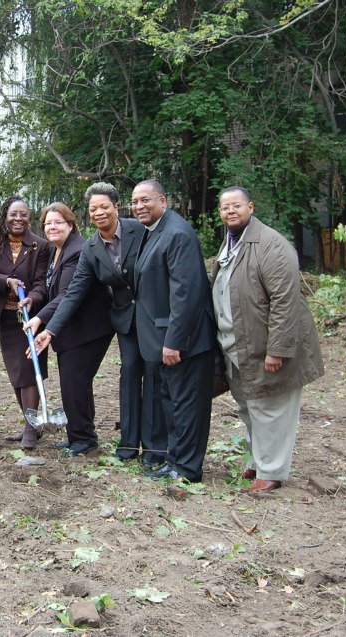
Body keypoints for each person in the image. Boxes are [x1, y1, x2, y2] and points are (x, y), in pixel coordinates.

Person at [31, 183, 164, 466]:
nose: (99, 212)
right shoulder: (92, 248)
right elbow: (74, 292)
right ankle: (129, 445)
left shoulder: (139, 231)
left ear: (116, 207)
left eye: (104, 206)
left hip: (151, 316)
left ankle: (154, 448)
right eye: (93, 209)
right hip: (124, 319)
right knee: (129, 376)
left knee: (152, 377)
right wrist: (50, 331)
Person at [212, 187, 323, 492]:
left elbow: (285, 301)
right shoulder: (231, 242)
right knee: (249, 405)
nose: (230, 211)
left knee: (271, 407)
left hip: (266, 348)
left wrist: (277, 350)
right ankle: (255, 461)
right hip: (238, 346)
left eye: (236, 206)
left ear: (251, 206)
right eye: (224, 208)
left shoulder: (272, 244)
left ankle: (271, 472)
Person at [130, 179, 215, 482]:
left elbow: (186, 292)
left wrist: (175, 341)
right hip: (163, 340)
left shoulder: (177, 233)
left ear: (163, 201)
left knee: (187, 407)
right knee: (173, 405)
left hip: (184, 342)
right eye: (135, 201)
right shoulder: (155, 231)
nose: (139, 206)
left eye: (146, 200)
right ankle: (175, 461)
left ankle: (188, 469)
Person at [25, 202, 113, 456]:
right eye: (48, 223)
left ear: (70, 224)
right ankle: (78, 435)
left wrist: (40, 319)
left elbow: (67, 294)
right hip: (71, 328)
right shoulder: (58, 250)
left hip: (89, 329)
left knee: (75, 382)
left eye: (58, 222)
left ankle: (84, 439)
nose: (52, 227)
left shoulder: (76, 250)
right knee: (72, 383)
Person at [0, 196, 50, 449]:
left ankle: (30, 430)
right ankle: (31, 423)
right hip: (5, 317)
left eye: (23, 214)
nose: (18, 219)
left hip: (31, 318)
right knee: (15, 373)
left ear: (28, 218)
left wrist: (32, 298)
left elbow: (43, 282)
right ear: (5, 216)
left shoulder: (39, 246)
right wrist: (5, 282)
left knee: (30, 371)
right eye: (13, 214)